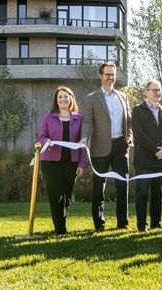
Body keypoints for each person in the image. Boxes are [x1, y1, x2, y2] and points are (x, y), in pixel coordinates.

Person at [80, 62, 132, 232]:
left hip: (120, 147)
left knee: (122, 186)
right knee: (98, 188)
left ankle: (122, 223)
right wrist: (84, 138)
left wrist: (129, 138)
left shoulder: (123, 97)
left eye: (113, 74)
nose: (111, 77)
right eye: (107, 74)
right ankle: (99, 225)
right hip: (100, 148)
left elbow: (129, 121)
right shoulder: (91, 98)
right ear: (101, 76)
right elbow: (87, 121)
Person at [35, 86, 86, 235]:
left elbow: (83, 144)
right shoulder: (48, 117)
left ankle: (61, 225)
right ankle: (60, 229)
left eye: (66, 96)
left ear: (71, 98)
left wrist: (82, 164)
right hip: (50, 162)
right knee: (56, 194)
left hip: (71, 162)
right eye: (60, 97)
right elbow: (40, 138)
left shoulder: (80, 119)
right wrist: (47, 141)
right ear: (56, 101)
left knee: (66, 196)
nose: (63, 99)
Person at [131, 79, 162, 232]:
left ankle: (156, 223)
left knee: (158, 193)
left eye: (159, 90)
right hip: (144, 159)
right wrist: (156, 149)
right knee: (142, 192)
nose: (157, 93)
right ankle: (141, 225)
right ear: (146, 92)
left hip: (161, 161)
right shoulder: (138, 110)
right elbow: (139, 134)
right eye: (154, 90)